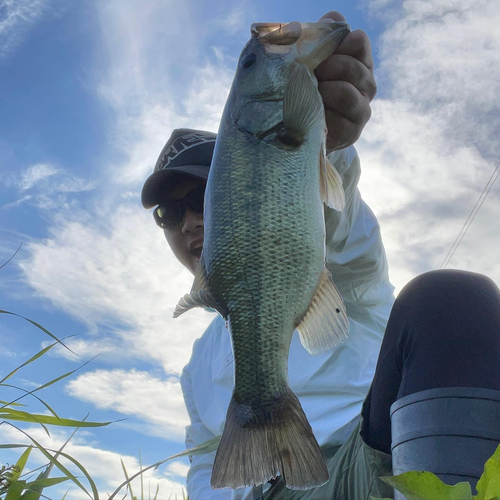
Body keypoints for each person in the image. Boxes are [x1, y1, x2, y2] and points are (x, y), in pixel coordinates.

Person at [141, 11, 500, 500]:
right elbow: (205, 463)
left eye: (203, 195)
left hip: (369, 462)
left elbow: (344, 231)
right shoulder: (195, 368)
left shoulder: (337, 268)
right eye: (168, 213)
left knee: (452, 300)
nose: (188, 221)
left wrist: (328, 143)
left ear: (235, 184)